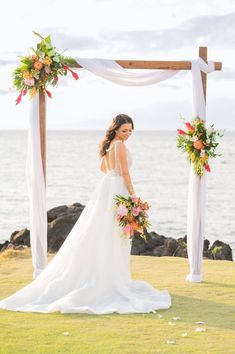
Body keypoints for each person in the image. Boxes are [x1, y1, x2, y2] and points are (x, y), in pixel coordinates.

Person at [0, 114, 171, 314]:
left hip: (107, 189)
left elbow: (103, 169)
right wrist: (134, 197)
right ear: (115, 129)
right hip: (117, 191)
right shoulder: (120, 146)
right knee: (113, 235)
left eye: (130, 131)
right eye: (124, 130)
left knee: (103, 233)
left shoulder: (109, 147)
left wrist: (113, 175)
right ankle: (109, 278)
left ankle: (103, 275)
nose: (128, 135)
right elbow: (125, 173)